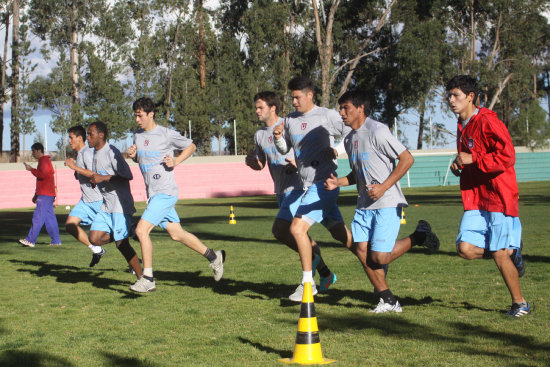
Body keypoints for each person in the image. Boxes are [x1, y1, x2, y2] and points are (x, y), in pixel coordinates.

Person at [325, 90, 440, 313]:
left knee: (378, 257)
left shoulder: (378, 131)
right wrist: (338, 182)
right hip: (364, 205)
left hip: (387, 201)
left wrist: (383, 186)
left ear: (360, 109)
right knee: (361, 250)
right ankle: (388, 299)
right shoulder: (349, 139)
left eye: (346, 108)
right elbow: (358, 173)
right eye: (340, 108)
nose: (341, 113)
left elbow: (407, 159)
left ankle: (420, 236)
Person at [446, 75, 530, 317]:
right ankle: (511, 251)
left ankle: (520, 303)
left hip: (498, 196)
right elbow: (470, 155)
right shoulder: (462, 124)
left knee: (499, 253)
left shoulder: (488, 121)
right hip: (475, 199)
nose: (451, 100)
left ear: (470, 97)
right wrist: (459, 164)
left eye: (456, 95)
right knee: (464, 248)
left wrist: (474, 159)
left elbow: (508, 156)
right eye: (449, 96)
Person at [127, 97, 225, 293]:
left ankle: (148, 278)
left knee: (141, 231)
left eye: (140, 115)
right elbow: (143, 160)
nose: (137, 119)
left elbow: (192, 146)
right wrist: (134, 156)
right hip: (153, 194)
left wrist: (177, 160)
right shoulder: (137, 136)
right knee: (177, 234)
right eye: (135, 115)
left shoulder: (166, 134)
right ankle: (214, 257)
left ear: (151, 114)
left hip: (166, 192)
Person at [245, 91, 336, 296]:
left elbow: (305, 148)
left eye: (260, 107)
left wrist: (299, 162)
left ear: (273, 108)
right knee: (300, 234)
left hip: (299, 187)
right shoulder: (259, 135)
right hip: (281, 190)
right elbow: (261, 163)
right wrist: (254, 163)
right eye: (256, 107)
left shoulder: (290, 124)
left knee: (281, 230)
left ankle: (308, 280)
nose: (257, 111)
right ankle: (325, 272)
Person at [273, 76, 354, 302]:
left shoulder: (326, 115)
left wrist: (337, 150)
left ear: (310, 95)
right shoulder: (289, 120)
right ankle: (371, 263)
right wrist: (278, 138)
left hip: (325, 183)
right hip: (306, 186)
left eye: (298, 97)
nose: (295, 102)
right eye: (292, 98)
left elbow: (351, 133)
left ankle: (308, 284)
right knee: (342, 236)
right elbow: (284, 149)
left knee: (297, 229)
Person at [86, 121, 143, 279]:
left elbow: (128, 175)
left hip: (120, 203)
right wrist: (95, 180)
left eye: (90, 134)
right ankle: (129, 231)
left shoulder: (111, 151)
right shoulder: (96, 153)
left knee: (121, 244)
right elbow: (101, 176)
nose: (87, 138)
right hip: (107, 204)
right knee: (94, 239)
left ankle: (143, 278)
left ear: (101, 135)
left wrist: (102, 177)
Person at [64, 125, 107, 266]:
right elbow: (85, 174)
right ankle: (96, 249)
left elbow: (94, 174)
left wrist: (74, 167)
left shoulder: (87, 152)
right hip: (85, 201)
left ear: (79, 138)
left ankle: (134, 263)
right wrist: (76, 171)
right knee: (70, 225)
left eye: (71, 137)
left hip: (98, 201)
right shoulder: (79, 154)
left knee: (116, 237)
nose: (69, 141)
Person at [19, 142, 62, 248]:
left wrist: (31, 169)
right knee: (49, 218)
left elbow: (42, 175)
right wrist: (36, 194)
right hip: (47, 193)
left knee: (38, 217)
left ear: (39, 150)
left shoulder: (44, 161)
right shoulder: (44, 161)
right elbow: (43, 179)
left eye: (33, 151)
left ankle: (30, 240)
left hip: (45, 194)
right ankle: (56, 240)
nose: (32, 153)